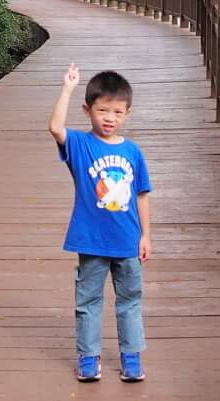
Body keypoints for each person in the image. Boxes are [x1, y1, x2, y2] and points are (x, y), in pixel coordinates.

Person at [47, 62, 154, 383]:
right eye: (103, 110)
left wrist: (146, 235)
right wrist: (67, 88)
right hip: (91, 239)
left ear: (127, 114)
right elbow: (55, 128)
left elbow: (142, 195)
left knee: (130, 300)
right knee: (89, 301)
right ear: (88, 110)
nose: (110, 118)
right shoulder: (80, 145)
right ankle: (88, 358)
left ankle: (131, 357)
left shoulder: (133, 152)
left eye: (118, 112)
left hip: (128, 241)